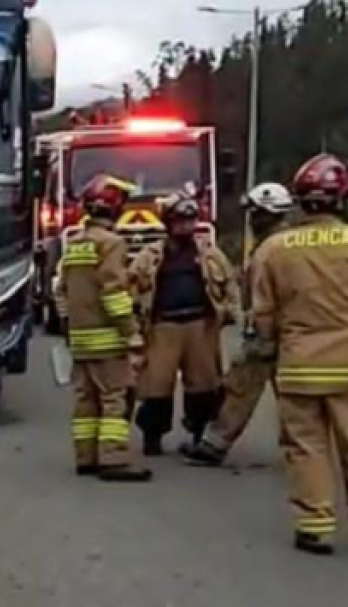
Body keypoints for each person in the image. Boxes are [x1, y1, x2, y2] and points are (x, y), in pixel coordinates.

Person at [252, 153, 348, 555]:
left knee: (306, 448)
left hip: (297, 368)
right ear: (342, 198)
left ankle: (315, 526)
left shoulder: (274, 250)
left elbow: (263, 312)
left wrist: (268, 349)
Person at [183, 182, 294, 466]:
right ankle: (301, 449)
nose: (252, 220)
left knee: (241, 388)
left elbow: (264, 296)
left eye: (255, 214)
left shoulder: (270, 248)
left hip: (269, 333)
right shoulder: (288, 244)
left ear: (268, 214)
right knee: (291, 396)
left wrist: (258, 334)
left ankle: (214, 445)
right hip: (290, 333)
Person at [53, 174, 152, 482]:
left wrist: (69, 325)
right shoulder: (111, 244)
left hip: (80, 339)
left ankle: (86, 457)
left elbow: (60, 290)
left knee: (85, 399)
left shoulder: (75, 244)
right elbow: (113, 291)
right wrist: (130, 330)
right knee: (113, 398)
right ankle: (113, 458)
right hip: (107, 337)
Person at [129, 191, 239, 455]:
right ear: (168, 223)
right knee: (155, 387)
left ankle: (199, 434)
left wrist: (232, 314)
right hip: (162, 326)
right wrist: (133, 329)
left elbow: (231, 286)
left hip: (200, 326)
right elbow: (131, 289)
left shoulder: (210, 255)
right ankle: (152, 437)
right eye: (180, 221)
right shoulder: (150, 256)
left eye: (190, 221)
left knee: (204, 386)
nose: (186, 226)